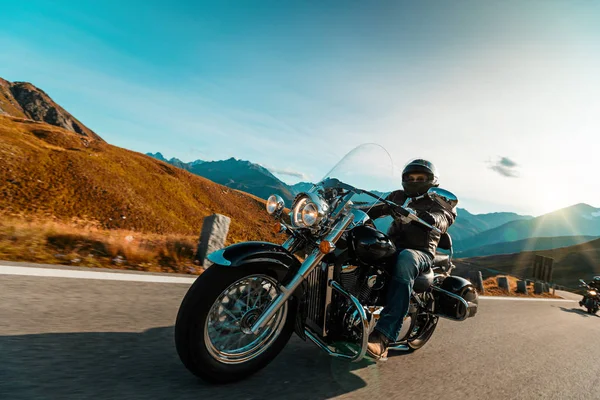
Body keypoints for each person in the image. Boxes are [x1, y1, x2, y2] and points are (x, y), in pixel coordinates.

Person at [363, 158, 457, 359]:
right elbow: (376, 207)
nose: (414, 181)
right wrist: (350, 206)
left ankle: (383, 336)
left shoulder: (438, 201)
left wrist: (430, 218)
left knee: (406, 259)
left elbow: (444, 217)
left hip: (420, 252)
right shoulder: (398, 196)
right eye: (410, 177)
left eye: (420, 178)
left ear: (432, 181)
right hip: (392, 245)